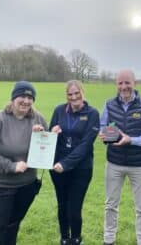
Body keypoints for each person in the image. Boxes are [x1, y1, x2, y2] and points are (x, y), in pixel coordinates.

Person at [100, 69, 141, 245]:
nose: (124, 87)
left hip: (140, 164)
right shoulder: (109, 104)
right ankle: (108, 240)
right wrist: (105, 134)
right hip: (114, 162)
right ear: (116, 85)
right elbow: (102, 125)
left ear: (135, 83)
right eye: (120, 83)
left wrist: (131, 140)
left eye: (127, 83)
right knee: (110, 205)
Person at [0, 81, 48, 245]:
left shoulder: (38, 118)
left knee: (12, 228)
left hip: (26, 186)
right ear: (13, 98)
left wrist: (41, 136)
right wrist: (11, 166)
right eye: (22, 96)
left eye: (30, 97)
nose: (26, 101)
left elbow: (46, 149)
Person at [49, 80, 100, 245]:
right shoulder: (59, 110)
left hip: (81, 169)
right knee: (62, 206)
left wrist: (66, 164)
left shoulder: (92, 114)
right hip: (57, 169)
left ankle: (76, 240)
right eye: (70, 94)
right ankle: (64, 239)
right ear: (67, 96)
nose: (74, 97)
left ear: (82, 93)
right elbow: (50, 139)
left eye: (77, 93)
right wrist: (53, 133)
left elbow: (86, 145)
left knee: (74, 209)